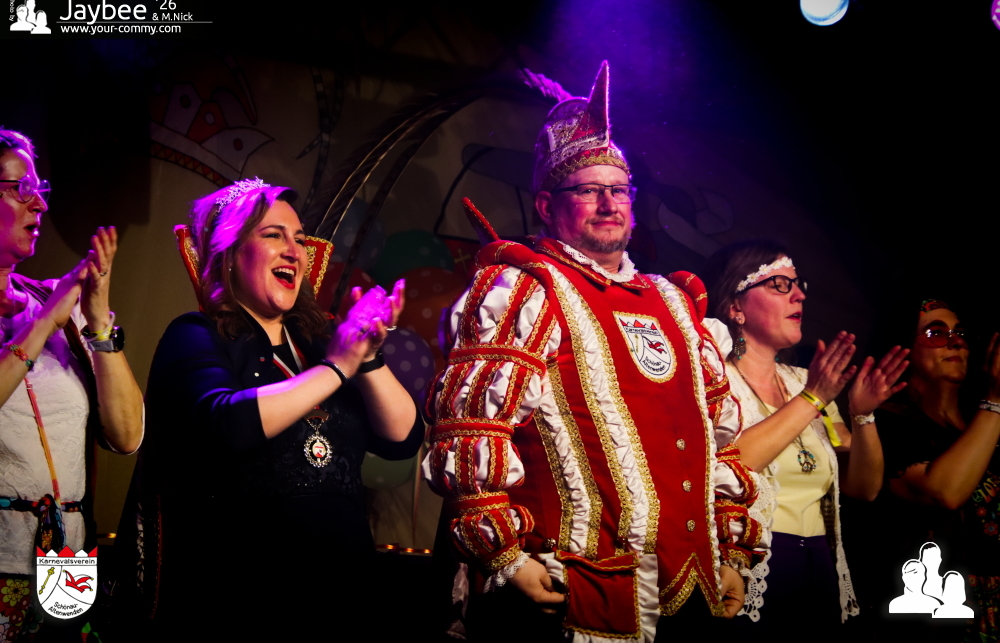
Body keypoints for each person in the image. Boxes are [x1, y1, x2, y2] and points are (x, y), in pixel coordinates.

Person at [422, 62, 763, 642]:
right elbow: (470, 427)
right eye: (587, 191)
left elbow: (718, 443)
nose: (608, 203)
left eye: (618, 190)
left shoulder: (674, 301)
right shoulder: (525, 288)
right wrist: (506, 558)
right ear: (546, 205)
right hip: (572, 590)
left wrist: (730, 553)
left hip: (691, 589)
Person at [137, 178, 423, 637]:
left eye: (300, 240)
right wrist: (338, 367)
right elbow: (229, 423)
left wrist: (367, 358)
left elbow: (402, 439)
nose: (294, 251)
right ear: (231, 255)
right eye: (273, 235)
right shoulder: (195, 335)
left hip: (345, 596)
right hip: (244, 600)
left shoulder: (318, 345)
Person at [702, 240, 908, 639]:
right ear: (735, 306)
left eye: (799, 285)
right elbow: (730, 464)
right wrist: (813, 399)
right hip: (753, 564)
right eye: (779, 285)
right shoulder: (714, 378)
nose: (799, 295)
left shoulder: (803, 382)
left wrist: (862, 414)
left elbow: (864, 488)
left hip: (820, 562)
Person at [0, 129, 144, 639]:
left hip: (67, 556)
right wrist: (43, 324)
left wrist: (98, 321)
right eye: (21, 189)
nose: (39, 203)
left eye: (39, 189)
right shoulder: (51, 313)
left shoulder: (55, 303)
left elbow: (127, 436)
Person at [872, 299, 1000, 641]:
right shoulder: (887, 422)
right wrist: (995, 400)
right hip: (939, 613)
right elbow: (944, 492)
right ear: (904, 349)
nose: (955, 342)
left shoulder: (982, 422)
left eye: (961, 334)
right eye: (936, 333)